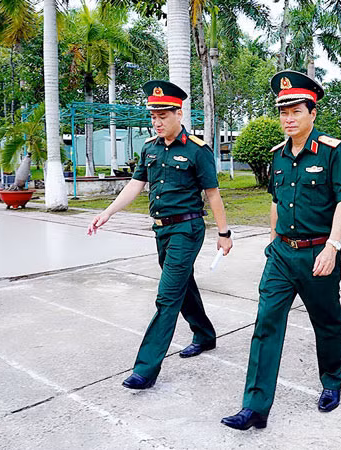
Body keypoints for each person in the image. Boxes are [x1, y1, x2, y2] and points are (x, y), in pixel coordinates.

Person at [221, 70, 341, 430]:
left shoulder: (332, 152)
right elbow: (276, 202)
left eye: (296, 110)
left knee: (327, 321)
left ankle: (332, 381)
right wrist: (271, 241)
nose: (288, 118)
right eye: (283, 111)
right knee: (266, 323)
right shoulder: (278, 156)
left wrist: (333, 246)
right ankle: (254, 406)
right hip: (282, 254)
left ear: (312, 113)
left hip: (318, 252)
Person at [87, 80, 234, 390]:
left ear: (178, 114)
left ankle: (145, 369)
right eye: (153, 117)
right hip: (161, 230)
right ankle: (205, 335)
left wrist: (224, 233)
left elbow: (213, 194)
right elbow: (135, 185)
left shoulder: (197, 150)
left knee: (167, 297)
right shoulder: (149, 148)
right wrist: (107, 212)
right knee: (182, 286)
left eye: (163, 116)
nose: (156, 122)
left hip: (187, 228)